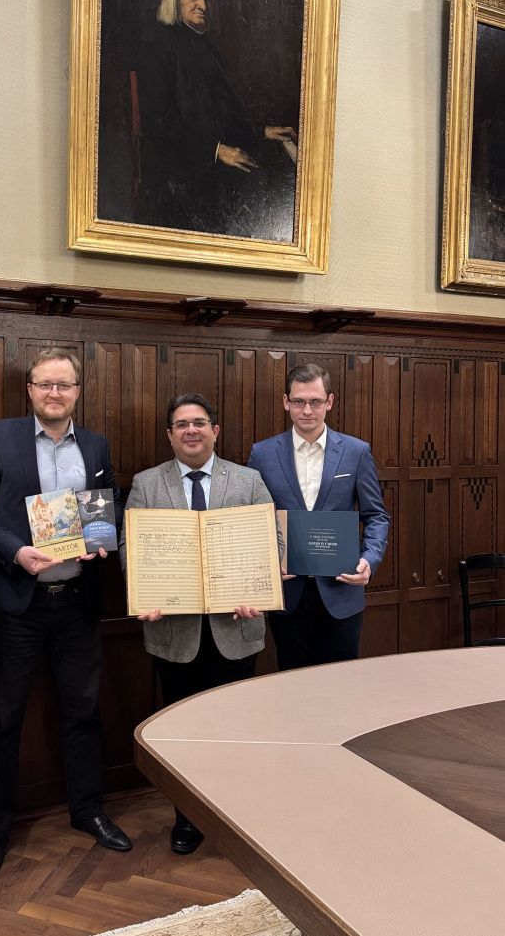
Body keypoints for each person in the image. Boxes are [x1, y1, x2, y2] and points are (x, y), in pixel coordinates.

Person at [0, 347, 131, 885]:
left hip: (77, 600)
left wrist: (104, 537)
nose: (54, 393)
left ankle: (88, 810)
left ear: (77, 391)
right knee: (4, 718)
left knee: (84, 711)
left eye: (64, 385)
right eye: (45, 384)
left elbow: (107, 504)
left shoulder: (96, 444)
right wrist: (16, 551)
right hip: (17, 601)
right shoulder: (0, 437)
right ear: (30, 390)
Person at [120, 393, 272, 855]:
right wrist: (144, 591)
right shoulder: (147, 483)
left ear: (215, 431)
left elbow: (272, 540)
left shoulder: (247, 480)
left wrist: (259, 589)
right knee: (181, 731)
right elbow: (130, 548)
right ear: (170, 435)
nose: (191, 430)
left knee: (234, 729)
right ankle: (187, 816)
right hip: (174, 632)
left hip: (235, 630)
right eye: (182, 424)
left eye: (199, 423)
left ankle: (235, 816)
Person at [135, 0, 297, 238]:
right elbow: (159, 126)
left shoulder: (208, 48)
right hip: (177, 168)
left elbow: (224, 114)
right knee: (258, 185)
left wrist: (261, 131)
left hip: (211, 158)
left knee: (276, 173)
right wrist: (216, 151)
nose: (202, 5)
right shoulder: (157, 43)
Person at [247, 363, 390, 671]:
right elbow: (252, 521)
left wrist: (369, 560)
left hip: (341, 591)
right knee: (292, 681)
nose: (307, 410)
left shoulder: (355, 451)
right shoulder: (262, 454)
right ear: (286, 402)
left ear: (330, 401)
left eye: (315, 401)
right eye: (299, 401)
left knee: (341, 683)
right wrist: (266, 564)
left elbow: (376, 516)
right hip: (289, 593)